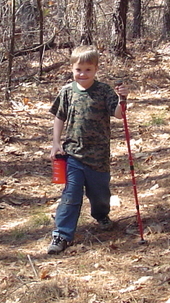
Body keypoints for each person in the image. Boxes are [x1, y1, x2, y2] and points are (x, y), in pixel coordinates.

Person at [48, 45, 129, 254]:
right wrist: (56, 143)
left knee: (100, 194)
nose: (82, 74)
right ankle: (61, 234)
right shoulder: (67, 92)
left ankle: (101, 215)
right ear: (72, 69)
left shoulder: (104, 91)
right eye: (78, 69)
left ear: (96, 70)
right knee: (71, 195)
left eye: (88, 70)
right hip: (73, 154)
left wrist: (123, 99)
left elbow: (119, 114)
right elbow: (59, 116)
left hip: (99, 155)